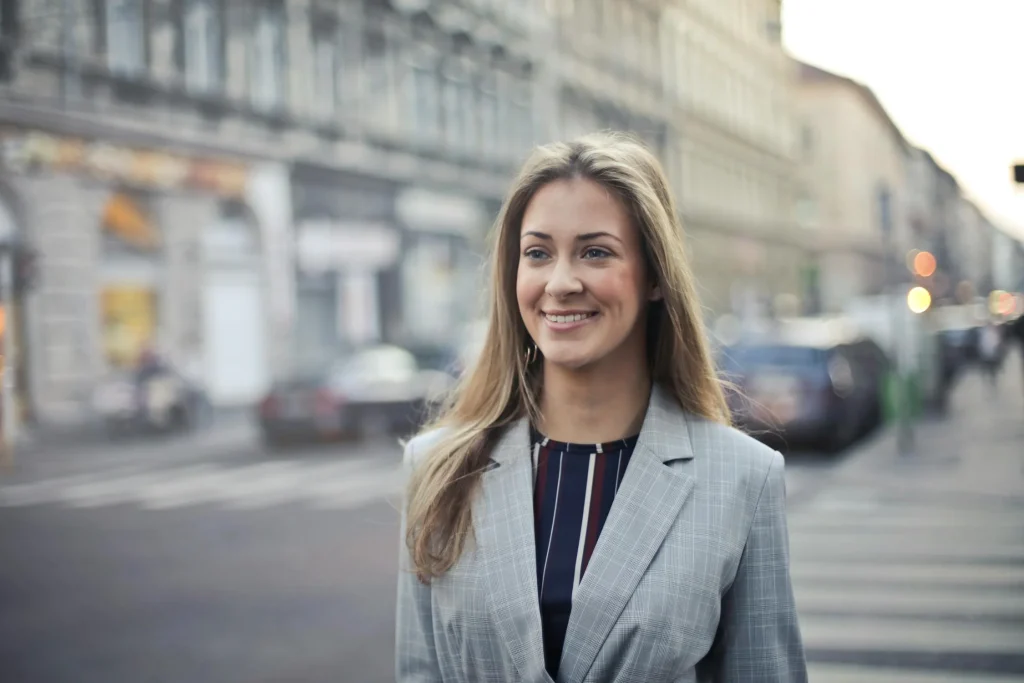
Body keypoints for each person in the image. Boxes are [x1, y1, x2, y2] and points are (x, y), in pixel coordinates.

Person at [397, 133, 807, 683]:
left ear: (656, 277)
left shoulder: (742, 478)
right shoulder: (437, 468)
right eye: (537, 253)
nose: (561, 283)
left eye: (595, 251)